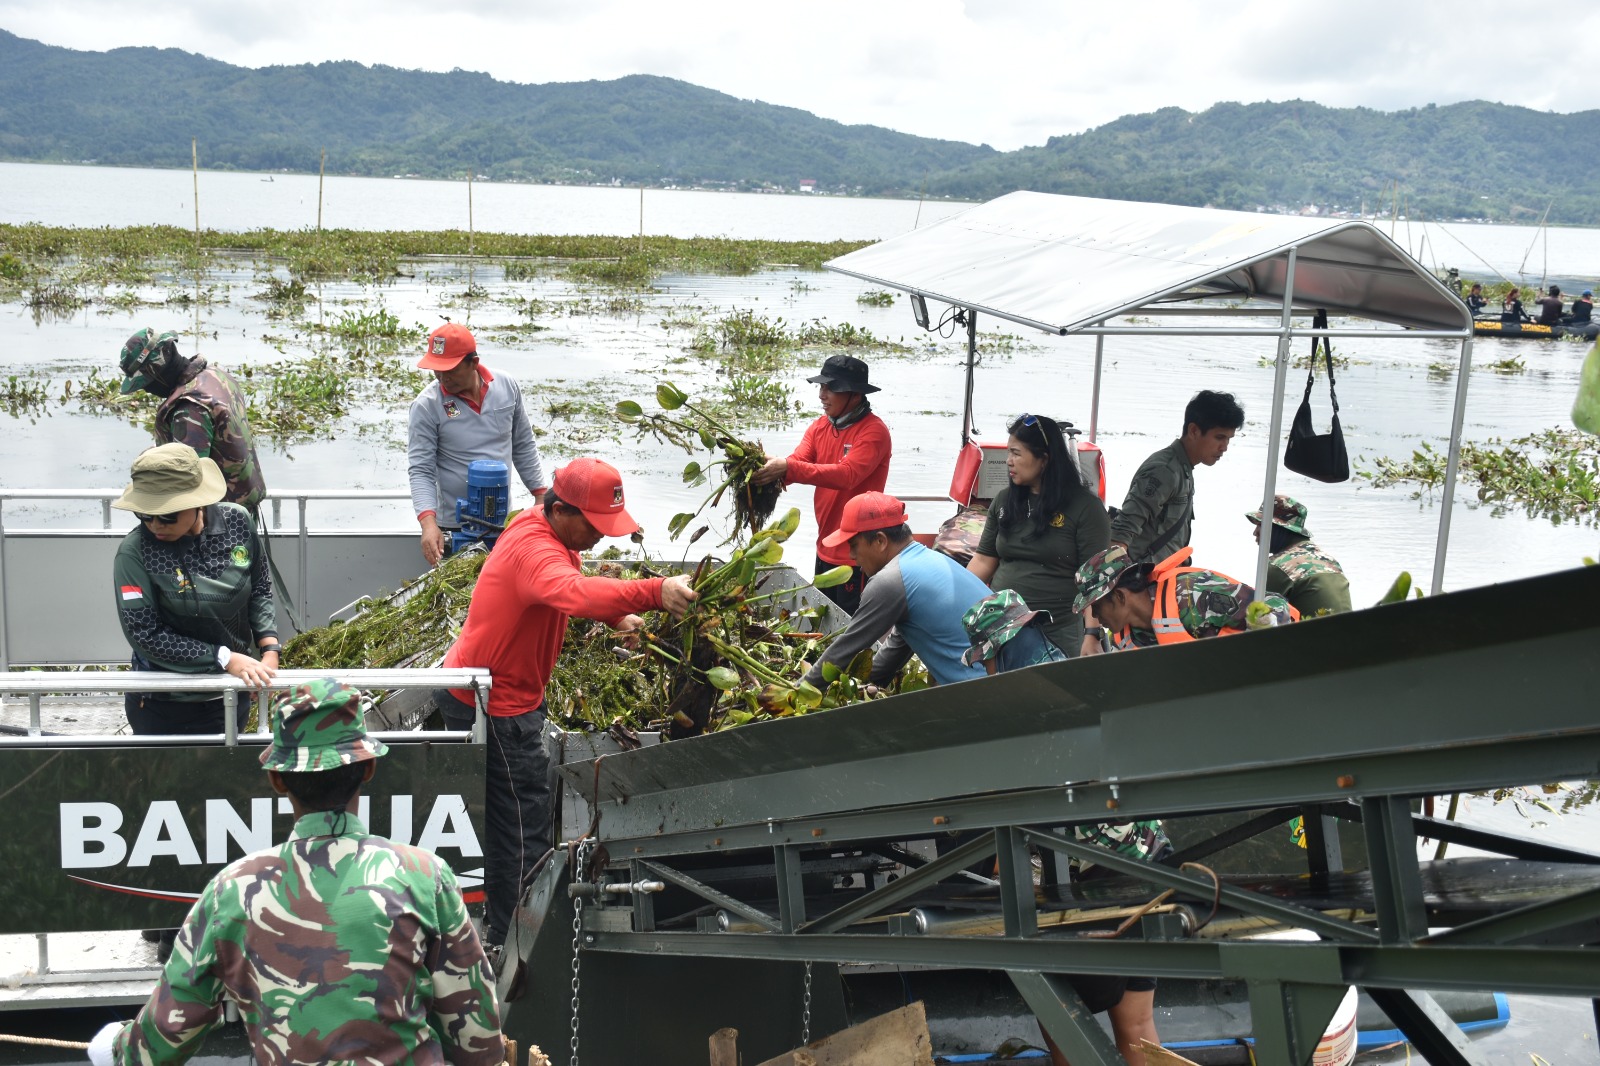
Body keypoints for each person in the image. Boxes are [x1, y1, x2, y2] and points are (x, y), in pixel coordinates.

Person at [87, 679, 505, 1066]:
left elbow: (157, 1045)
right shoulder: (425, 877)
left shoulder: (231, 892)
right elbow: (480, 1043)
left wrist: (114, 1047)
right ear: (368, 769)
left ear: (277, 780)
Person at [436, 458, 696, 951]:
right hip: (495, 707)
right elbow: (571, 591)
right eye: (595, 526)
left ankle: (507, 932)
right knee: (522, 829)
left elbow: (564, 596)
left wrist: (617, 619)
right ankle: (517, 947)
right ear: (561, 509)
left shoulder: (549, 532)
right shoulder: (535, 549)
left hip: (495, 694)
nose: (602, 537)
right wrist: (653, 593)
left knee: (512, 820)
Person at [959, 589, 1164, 1066]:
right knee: (1136, 1024)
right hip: (1152, 862)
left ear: (999, 650)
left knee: (1060, 1017)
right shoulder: (1076, 671)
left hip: (1094, 883)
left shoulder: (1021, 707)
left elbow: (1025, 806)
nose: (986, 672)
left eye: (986, 661)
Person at [800, 492, 987, 691]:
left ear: (880, 541)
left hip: (982, 688)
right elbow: (895, 651)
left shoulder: (890, 581)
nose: (852, 555)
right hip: (1008, 677)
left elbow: (844, 651)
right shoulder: (926, 561)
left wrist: (795, 694)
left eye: (854, 546)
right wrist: (860, 688)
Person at [752, 354, 891, 615]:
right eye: (821, 387)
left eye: (830, 388)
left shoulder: (873, 432)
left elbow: (847, 474)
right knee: (825, 621)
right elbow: (798, 462)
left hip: (858, 553)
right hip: (825, 544)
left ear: (854, 394)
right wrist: (768, 466)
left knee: (850, 627)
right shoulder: (819, 428)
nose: (822, 395)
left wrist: (789, 467)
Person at [967, 414, 1110, 657]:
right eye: (1008, 452)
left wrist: (1092, 635)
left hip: (1059, 631)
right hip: (1002, 630)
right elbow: (983, 561)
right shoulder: (1004, 501)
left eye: (1016, 453)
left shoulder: (1086, 508)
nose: (1008, 461)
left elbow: (1095, 581)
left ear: (1044, 459)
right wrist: (955, 601)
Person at [409, 321, 547, 566]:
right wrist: (428, 525)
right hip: (454, 524)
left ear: (473, 362)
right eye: (436, 369)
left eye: (449, 369)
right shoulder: (427, 405)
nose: (442, 377)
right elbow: (421, 469)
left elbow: (523, 444)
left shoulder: (506, 386)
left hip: (502, 521)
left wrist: (540, 495)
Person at [118, 328, 267, 513]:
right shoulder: (216, 376)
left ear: (158, 373)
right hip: (242, 511)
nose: (148, 390)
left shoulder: (188, 410)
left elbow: (187, 483)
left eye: (147, 384)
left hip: (217, 522)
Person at [1109, 390, 1245, 564]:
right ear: (1194, 430)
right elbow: (1123, 530)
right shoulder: (1164, 471)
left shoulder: (1184, 468)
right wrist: (1120, 582)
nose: (1224, 447)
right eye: (1219, 437)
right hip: (1142, 582)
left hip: (1162, 578)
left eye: (1228, 439)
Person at [1076, 545, 1296, 650]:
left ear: (1120, 597)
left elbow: (1274, 603)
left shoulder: (1195, 596)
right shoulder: (1122, 639)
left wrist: (1267, 623)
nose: (1094, 615)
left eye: (1096, 606)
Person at [1245, 495, 1352, 617]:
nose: (1255, 532)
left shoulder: (1278, 566)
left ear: (1277, 528)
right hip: (1349, 633)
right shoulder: (1329, 561)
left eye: (1260, 525)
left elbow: (1260, 619)